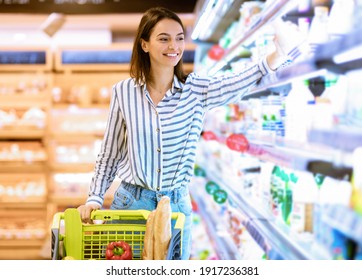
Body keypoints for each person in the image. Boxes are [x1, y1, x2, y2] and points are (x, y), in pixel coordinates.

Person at [77, 6, 288, 260]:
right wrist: (95, 198)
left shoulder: (195, 89)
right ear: (144, 44)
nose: (173, 46)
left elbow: (235, 83)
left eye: (179, 38)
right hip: (131, 203)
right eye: (163, 38)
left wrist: (275, 56)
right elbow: (110, 153)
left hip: (175, 204)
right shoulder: (124, 92)